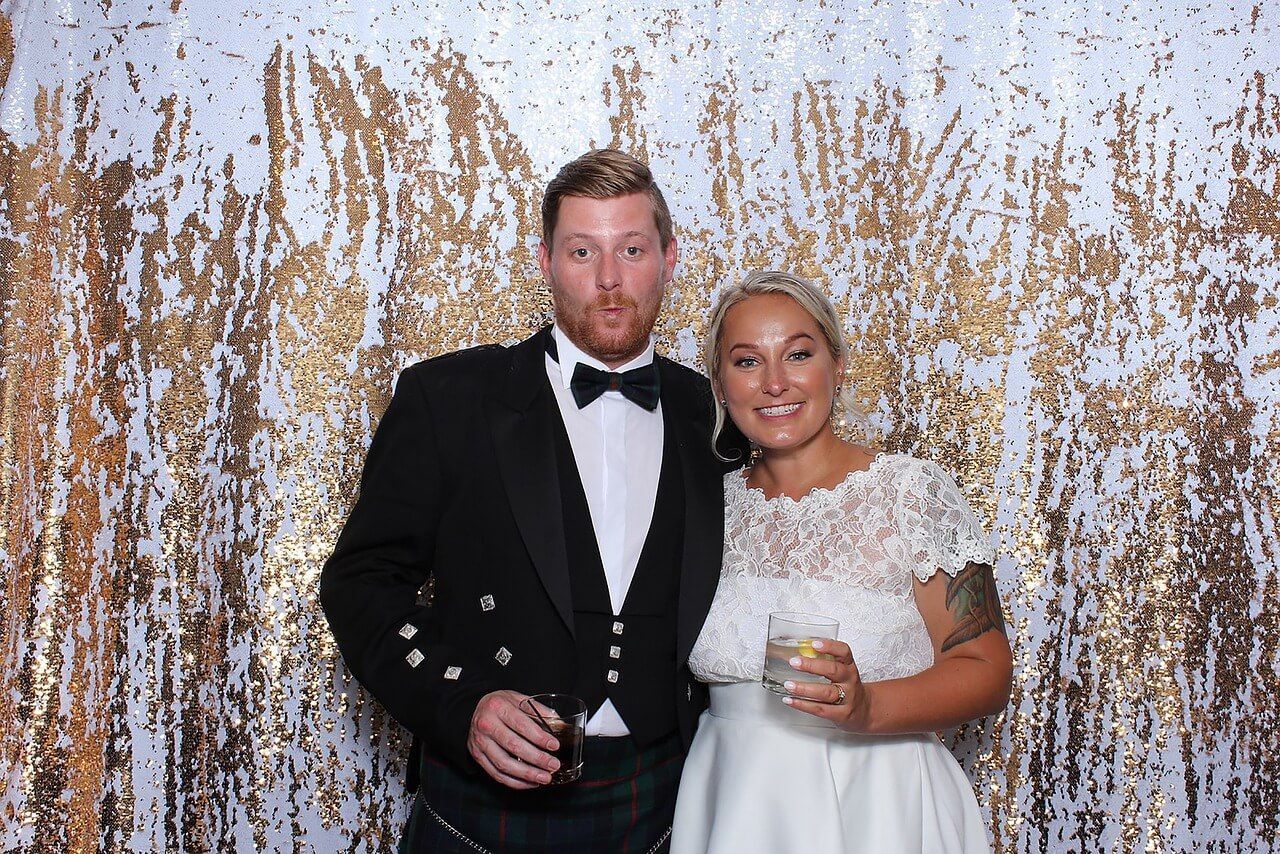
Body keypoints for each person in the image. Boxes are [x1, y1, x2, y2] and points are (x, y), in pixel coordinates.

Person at [321, 149, 743, 853]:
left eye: (632, 249)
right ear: (545, 261)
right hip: (479, 809)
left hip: (665, 802)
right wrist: (463, 704)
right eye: (582, 251)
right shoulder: (447, 399)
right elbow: (361, 584)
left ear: (669, 259)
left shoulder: (720, 417)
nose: (609, 280)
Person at [670, 270, 1013, 853]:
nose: (775, 383)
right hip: (735, 800)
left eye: (798, 354)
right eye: (748, 362)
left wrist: (868, 706)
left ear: (837, 364)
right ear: (720, 385)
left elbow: (986, 670)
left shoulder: (912, 493)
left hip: (878, 803)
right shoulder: (704, 509)